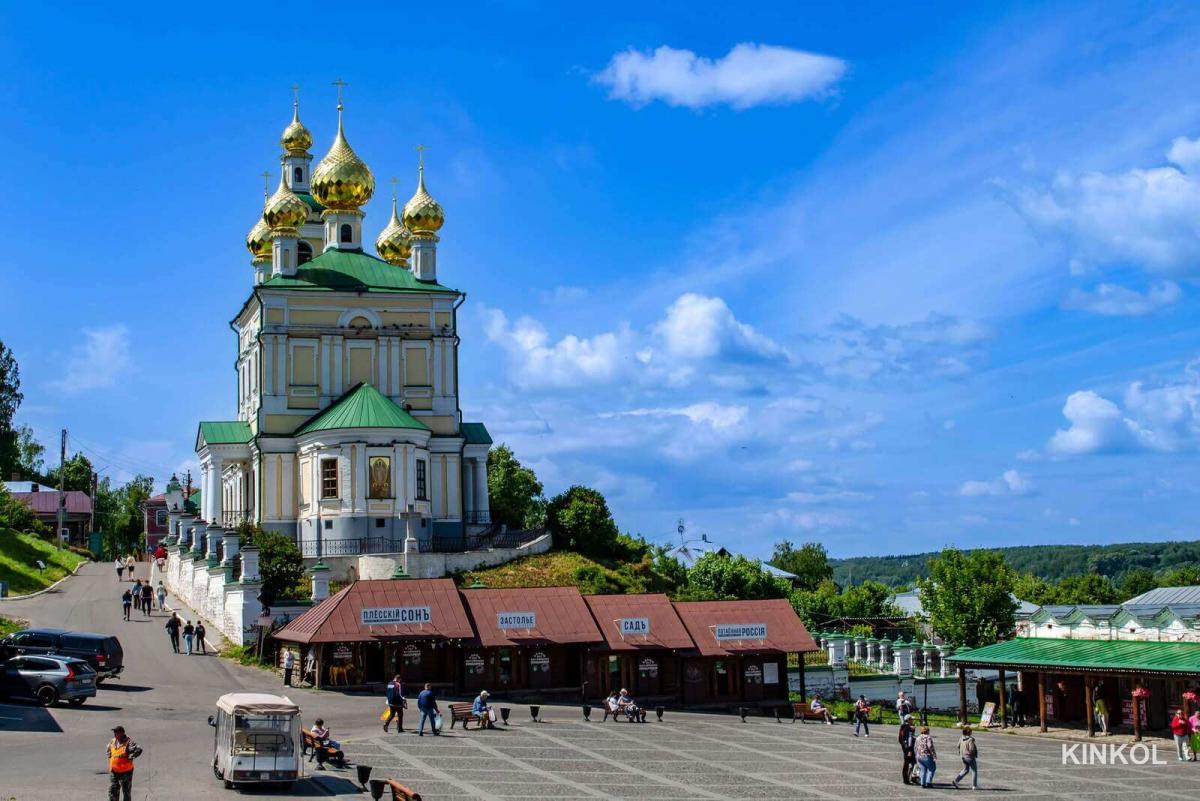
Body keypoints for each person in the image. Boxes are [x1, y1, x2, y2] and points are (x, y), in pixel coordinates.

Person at [106, 725, 139, 801]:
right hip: (114, 771)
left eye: (117, 732)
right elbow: (108, 749)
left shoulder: (129, 742)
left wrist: (131, 756)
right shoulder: (113, 741)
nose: (115, 734)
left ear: (122, 733)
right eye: (114, 732)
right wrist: (111, 757)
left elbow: (138, 749)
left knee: (126, 792)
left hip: (126, 772)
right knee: (113, 790)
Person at [898, 713, 917, 785]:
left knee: (907, 764)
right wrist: (909, 750)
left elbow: (900, 739)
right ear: (908, 720)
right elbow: (909, 740)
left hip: (904, 748)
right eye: (911, 719)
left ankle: (906, 779)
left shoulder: (902, 727)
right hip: (909, 749)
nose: (912, 720)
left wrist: (903, 746)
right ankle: (911, 778)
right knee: (914, 763)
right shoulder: (908, 728)